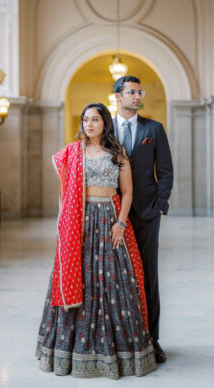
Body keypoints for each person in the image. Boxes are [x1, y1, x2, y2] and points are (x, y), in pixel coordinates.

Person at [35, 102, 156, 379]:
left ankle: (120, 353)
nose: (89, 124)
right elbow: (64, 191)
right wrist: (64, 222)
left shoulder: (117, 153)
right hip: (80, 220)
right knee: (82, 278)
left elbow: (127, 192)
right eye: (86, 119)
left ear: (105, 123)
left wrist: (121, 223)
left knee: (116, 281)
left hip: (111, 219)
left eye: (95, 119)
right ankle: (70, 351)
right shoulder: (73, 152)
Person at [113, 76, 173, 363]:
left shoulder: (154, 129)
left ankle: (153, 338)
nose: (137, 96)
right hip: (111, 215)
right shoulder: (105, 128)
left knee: (149, 275)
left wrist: (159, 204)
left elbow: (165, 169)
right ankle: (117, 338)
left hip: (147, 213)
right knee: (113, 276)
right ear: (117, 96)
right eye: (131, 92)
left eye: (140, 92)